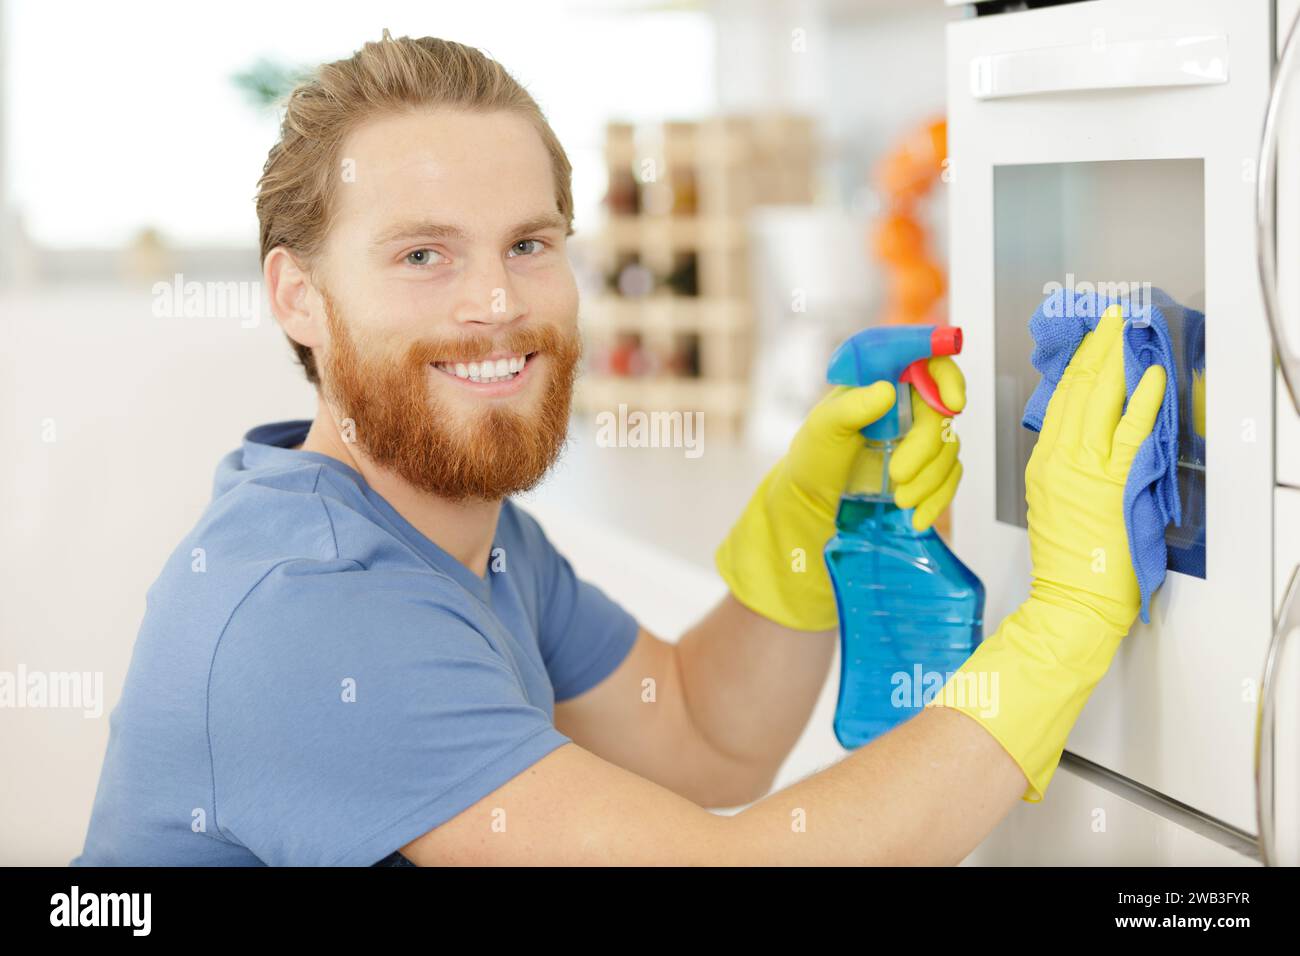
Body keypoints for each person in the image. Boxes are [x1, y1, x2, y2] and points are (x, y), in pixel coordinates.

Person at [71, 32, 1166, 867]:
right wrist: (1060, 623)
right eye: (421, 254)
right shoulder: (311, 607)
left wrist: (809, 525)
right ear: (298, 296)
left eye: (529, 243)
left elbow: (698, 730)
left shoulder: (455, 530)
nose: (496, 300)